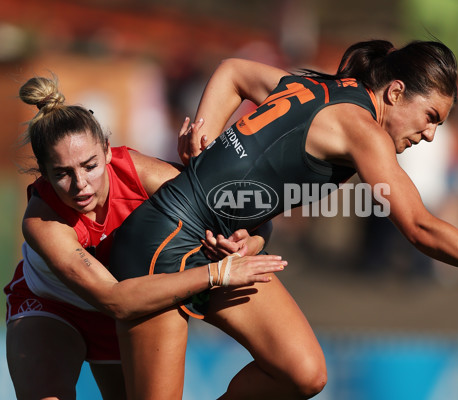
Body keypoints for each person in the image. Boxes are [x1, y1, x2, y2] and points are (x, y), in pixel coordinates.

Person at [110, 39, 458, 400]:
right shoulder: (363, 129)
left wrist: (202, 135)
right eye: (430, 117)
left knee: (303, 372)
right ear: (396, 92)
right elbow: (419, 227)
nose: (431, 134)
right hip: (165, 245)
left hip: (215, 249)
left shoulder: (318, 86)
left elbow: (233, 71)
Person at [4, 75, 285, 400]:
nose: (80, 184)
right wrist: (218, 273)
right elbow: (114, 298)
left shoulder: (141, 174)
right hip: (54, 306)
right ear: (43, 170)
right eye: (63, 173)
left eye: (90, 165)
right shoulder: (41, 221)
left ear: (108, 151)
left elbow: (248, 208)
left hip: (134, 306)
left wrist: (252, 241)